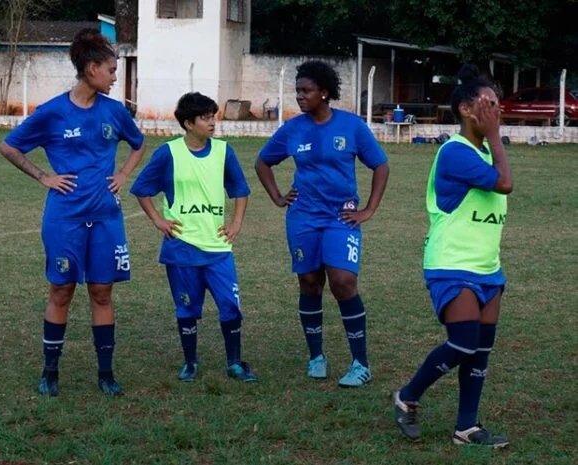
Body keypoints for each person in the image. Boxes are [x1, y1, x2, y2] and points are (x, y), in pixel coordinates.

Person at [0, 28, 146, 396]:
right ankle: (50, 372)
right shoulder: (52, 113)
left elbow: (139, 143)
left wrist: (123, 174)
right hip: (64, 218)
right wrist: (43, 176)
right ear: (91, 68)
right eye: (111, 70)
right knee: (61, 290)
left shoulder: (115, 111)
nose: (115, 76)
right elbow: (8, 147)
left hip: (107, 218)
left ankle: (106, 374)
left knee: (101, 292)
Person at [392, 64, 513, 447]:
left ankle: (467, 427)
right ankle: (407, 396)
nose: (496, 111)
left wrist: (493, 140)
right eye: (488, 104)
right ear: (465, 109)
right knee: (462, 343)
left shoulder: (484, 154)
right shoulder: (454, 153)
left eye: (498, 105)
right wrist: (496, 137)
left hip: (487, 270)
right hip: (450, 266)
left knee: (480, 352)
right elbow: (505, 184)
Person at [255, 60, 389, 387]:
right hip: (303, 218)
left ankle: (360, 363)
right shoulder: (292, 128)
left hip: (341, 216)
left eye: (306, 90)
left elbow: (380, 166)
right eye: (298, 91)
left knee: (343, 282)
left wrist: (368, 209)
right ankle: (317, 356)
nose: (300, 96)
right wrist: (277, 196)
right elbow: (263, 162)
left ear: (324, 93)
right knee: (310, 282)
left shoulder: (352, 126)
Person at [130, 92, 257, 383]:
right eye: (205, 117)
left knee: (231, 306)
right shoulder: (168, 153)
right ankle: (190, 362)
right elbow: (141, 190)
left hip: (218, 247)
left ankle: (235, 364)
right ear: (188, 123)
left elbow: (240, 190)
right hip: (182, 248)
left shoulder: (224, 151)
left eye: (213, 116)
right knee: (187, 308)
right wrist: (158, 221)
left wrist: (236, 223)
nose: (213, 122)